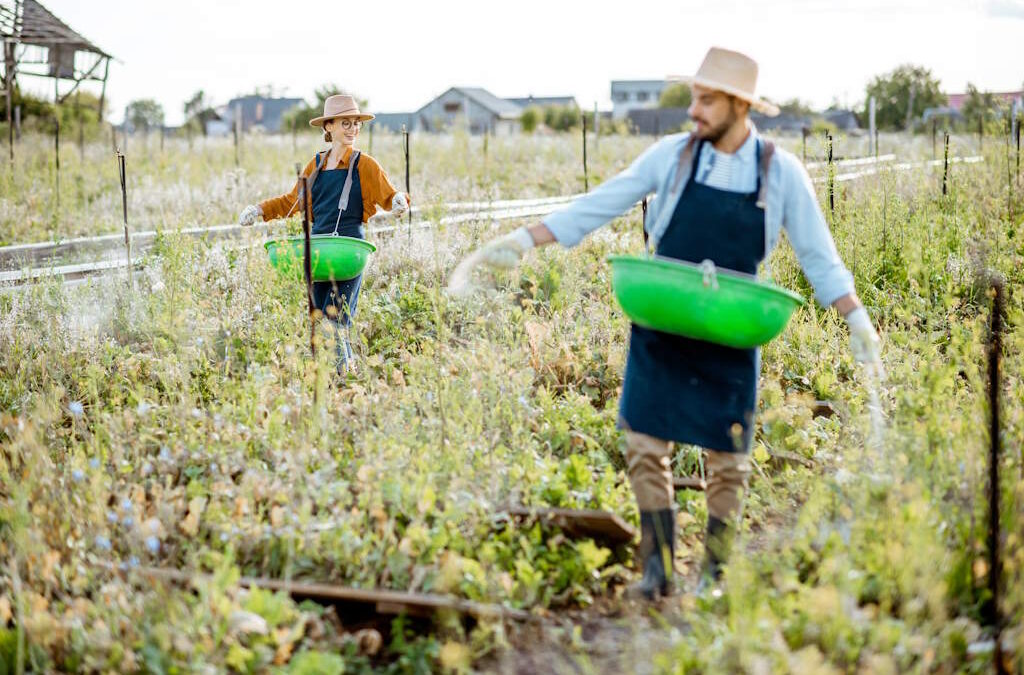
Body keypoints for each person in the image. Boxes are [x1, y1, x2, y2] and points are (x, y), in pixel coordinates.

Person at [449, 47, 882, 599]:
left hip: (730, 328)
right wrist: (523, 239)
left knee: (729, 458)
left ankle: (716, 575)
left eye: (707, 101)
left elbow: (819, 258)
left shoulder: (779, 173)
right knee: (643, 443)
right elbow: (599, 204)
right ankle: (657, 572)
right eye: (694, 98)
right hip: (662, 322)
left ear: (739, 106)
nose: (694, 111)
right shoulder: (672, 159)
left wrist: (856, 318)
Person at [239, 94, 410, 372]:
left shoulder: (366, 165)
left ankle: (346, 370)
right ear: (328, 126)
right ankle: (324, 373)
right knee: (320, 313)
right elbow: (291, 202)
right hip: (318, 249)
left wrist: (398, 203)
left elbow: (388, 196)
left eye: (356, 123)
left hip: (348, 249)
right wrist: (259, 210)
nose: (353, 129)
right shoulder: (315, 166)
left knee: (339, 312)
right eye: (346, 123)